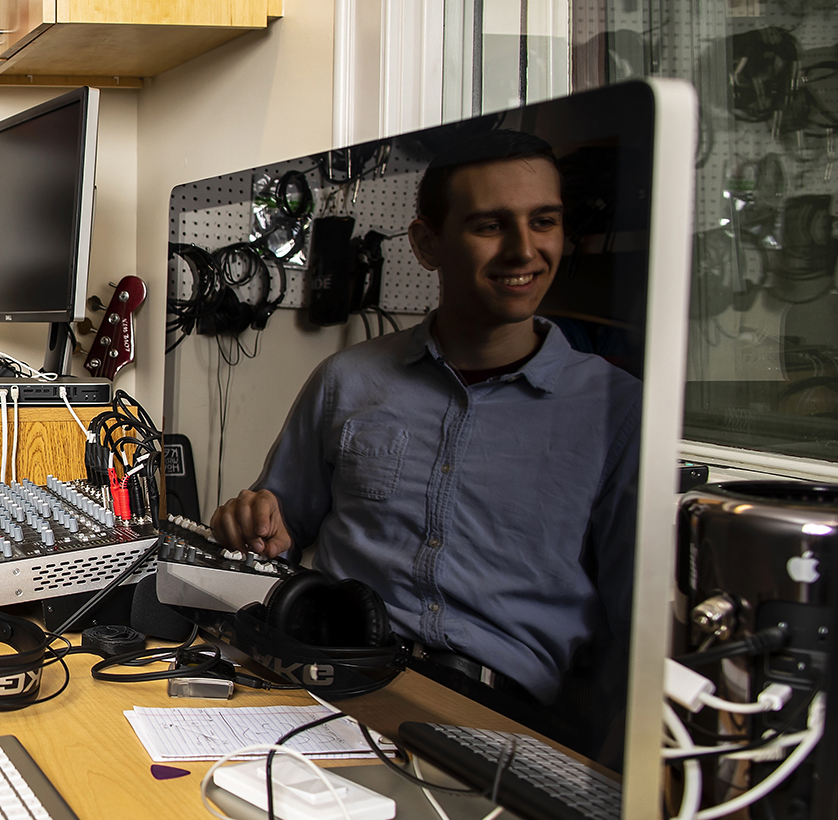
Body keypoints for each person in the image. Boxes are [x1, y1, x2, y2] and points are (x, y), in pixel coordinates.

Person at [210, 131, 640, 741]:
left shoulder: (615, 410)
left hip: (502, 723)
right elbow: (276, 530)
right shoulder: (347, 379)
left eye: (543, 221)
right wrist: (255, 521)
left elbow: (632, 634)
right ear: (427, 243)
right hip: (332, 679)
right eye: (491, 225)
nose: (525, 250)